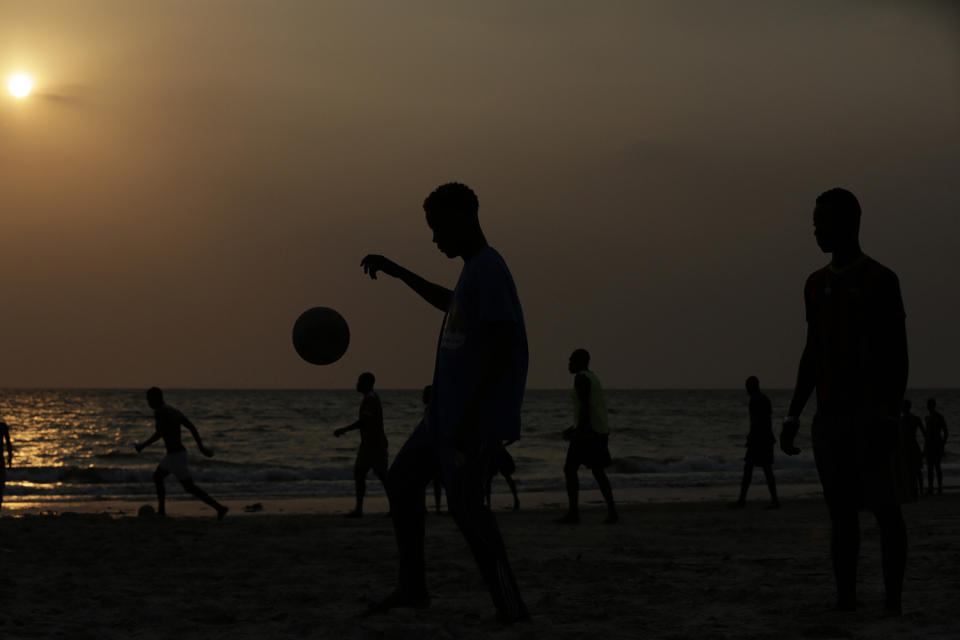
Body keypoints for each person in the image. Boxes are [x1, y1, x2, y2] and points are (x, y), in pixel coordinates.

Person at [360, 182, 528, 622]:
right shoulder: (471, 270)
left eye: (437, 228)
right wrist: (398, 272)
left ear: (463, 218)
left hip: (469, 420)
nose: (434, 239)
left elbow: (506, 341)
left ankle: (511, 609)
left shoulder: (489, 267)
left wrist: (472, 416)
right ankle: (413, 587)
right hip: (441, 418)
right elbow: (449, 303)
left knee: (469, 511)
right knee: (401, 482)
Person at [780, 188, 908, 616]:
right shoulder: (814, 285)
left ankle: (893, 603)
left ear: (848, 224)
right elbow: (811, 352)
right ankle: (847, 598)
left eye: (822, 221)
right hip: (829, 418)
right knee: (841, 516)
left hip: (871, 415)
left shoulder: (881, 280)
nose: (815, 229)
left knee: (886, 512)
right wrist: (795, 413)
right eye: (814, 221)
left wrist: (890, 411)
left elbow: (898, 354)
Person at [134, 387, 228, 519]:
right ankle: (162, 511)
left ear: (156, 399)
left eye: (149, 399)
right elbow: (191, 426)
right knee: (160, 478)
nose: (148, 403)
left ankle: (220, 508)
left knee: (187, 487)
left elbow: (159, 433)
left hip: (175, 456)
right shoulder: (173, 410)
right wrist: (201, 447)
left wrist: (143, 445)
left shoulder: (160, 412)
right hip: (176, 454)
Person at [558, 348, 617, 524]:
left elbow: (584, 406)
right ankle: (612, 511)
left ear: (580, 362)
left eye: (571, 361)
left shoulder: (581, 378)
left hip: (587, 434)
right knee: (598, 471)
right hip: (599, 431)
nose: (569, 364)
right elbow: (591, 406)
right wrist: (573, 427)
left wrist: (578, 431)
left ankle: (574, 513)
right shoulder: (594, 378)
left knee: (570, 469)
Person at [334, 372, 388, 517]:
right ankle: (360, 508)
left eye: (360, 381)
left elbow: (364, 421)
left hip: (374, 445)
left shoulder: (370, 399)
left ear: (367, 383)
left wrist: (343, 429)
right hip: (370, 444)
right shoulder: (369, 398)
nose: (357, 384)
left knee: (378, 476)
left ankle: (361, 509)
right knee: (364, 474)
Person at [731, 376, 780, 509]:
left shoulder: (755, 400)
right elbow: (767, 420)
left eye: (748, 386)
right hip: (766, 438)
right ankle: (774, 500)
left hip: (759, 439)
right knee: (766, 470)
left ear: (752, 386)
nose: (746, 389)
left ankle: (742, 500)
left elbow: (756, 422)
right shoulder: (765, 399)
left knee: (749, 469)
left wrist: (751, 437)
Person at [899, 400, 924, 500]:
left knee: (913, 470)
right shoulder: (915, 419)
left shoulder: (902, 421)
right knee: (914, 470)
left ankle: (917, 491)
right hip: (911, 446)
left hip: (909, 447)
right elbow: (924, 433)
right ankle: (917, 490)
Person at [485, 439, 520, 511]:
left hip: (495, 454)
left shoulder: (490, 430)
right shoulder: (496, 430)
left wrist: (503, 445)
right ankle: (516, 500)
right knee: (491, 479)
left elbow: (512, 438)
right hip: (496, 453)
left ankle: (488, 504)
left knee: (489, 480)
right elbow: (512, 438)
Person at [923, 398, 948, 496]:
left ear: (933, 405)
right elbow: (927, 434)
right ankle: (930, 487)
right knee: (930, 468)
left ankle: (940, 487)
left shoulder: (939, 417)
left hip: (936, 445)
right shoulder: (927, 417)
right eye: (928, 404)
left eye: (930, 404)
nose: (928, 406)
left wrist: (942, 444)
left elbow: (946, 432)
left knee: (937, 467)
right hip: (929, 445)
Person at [0, 420, 12, 512]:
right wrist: (10, 456)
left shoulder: (3, 426)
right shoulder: (3, 426)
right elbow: (8, 443)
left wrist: (10, 456)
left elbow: (8, 442)